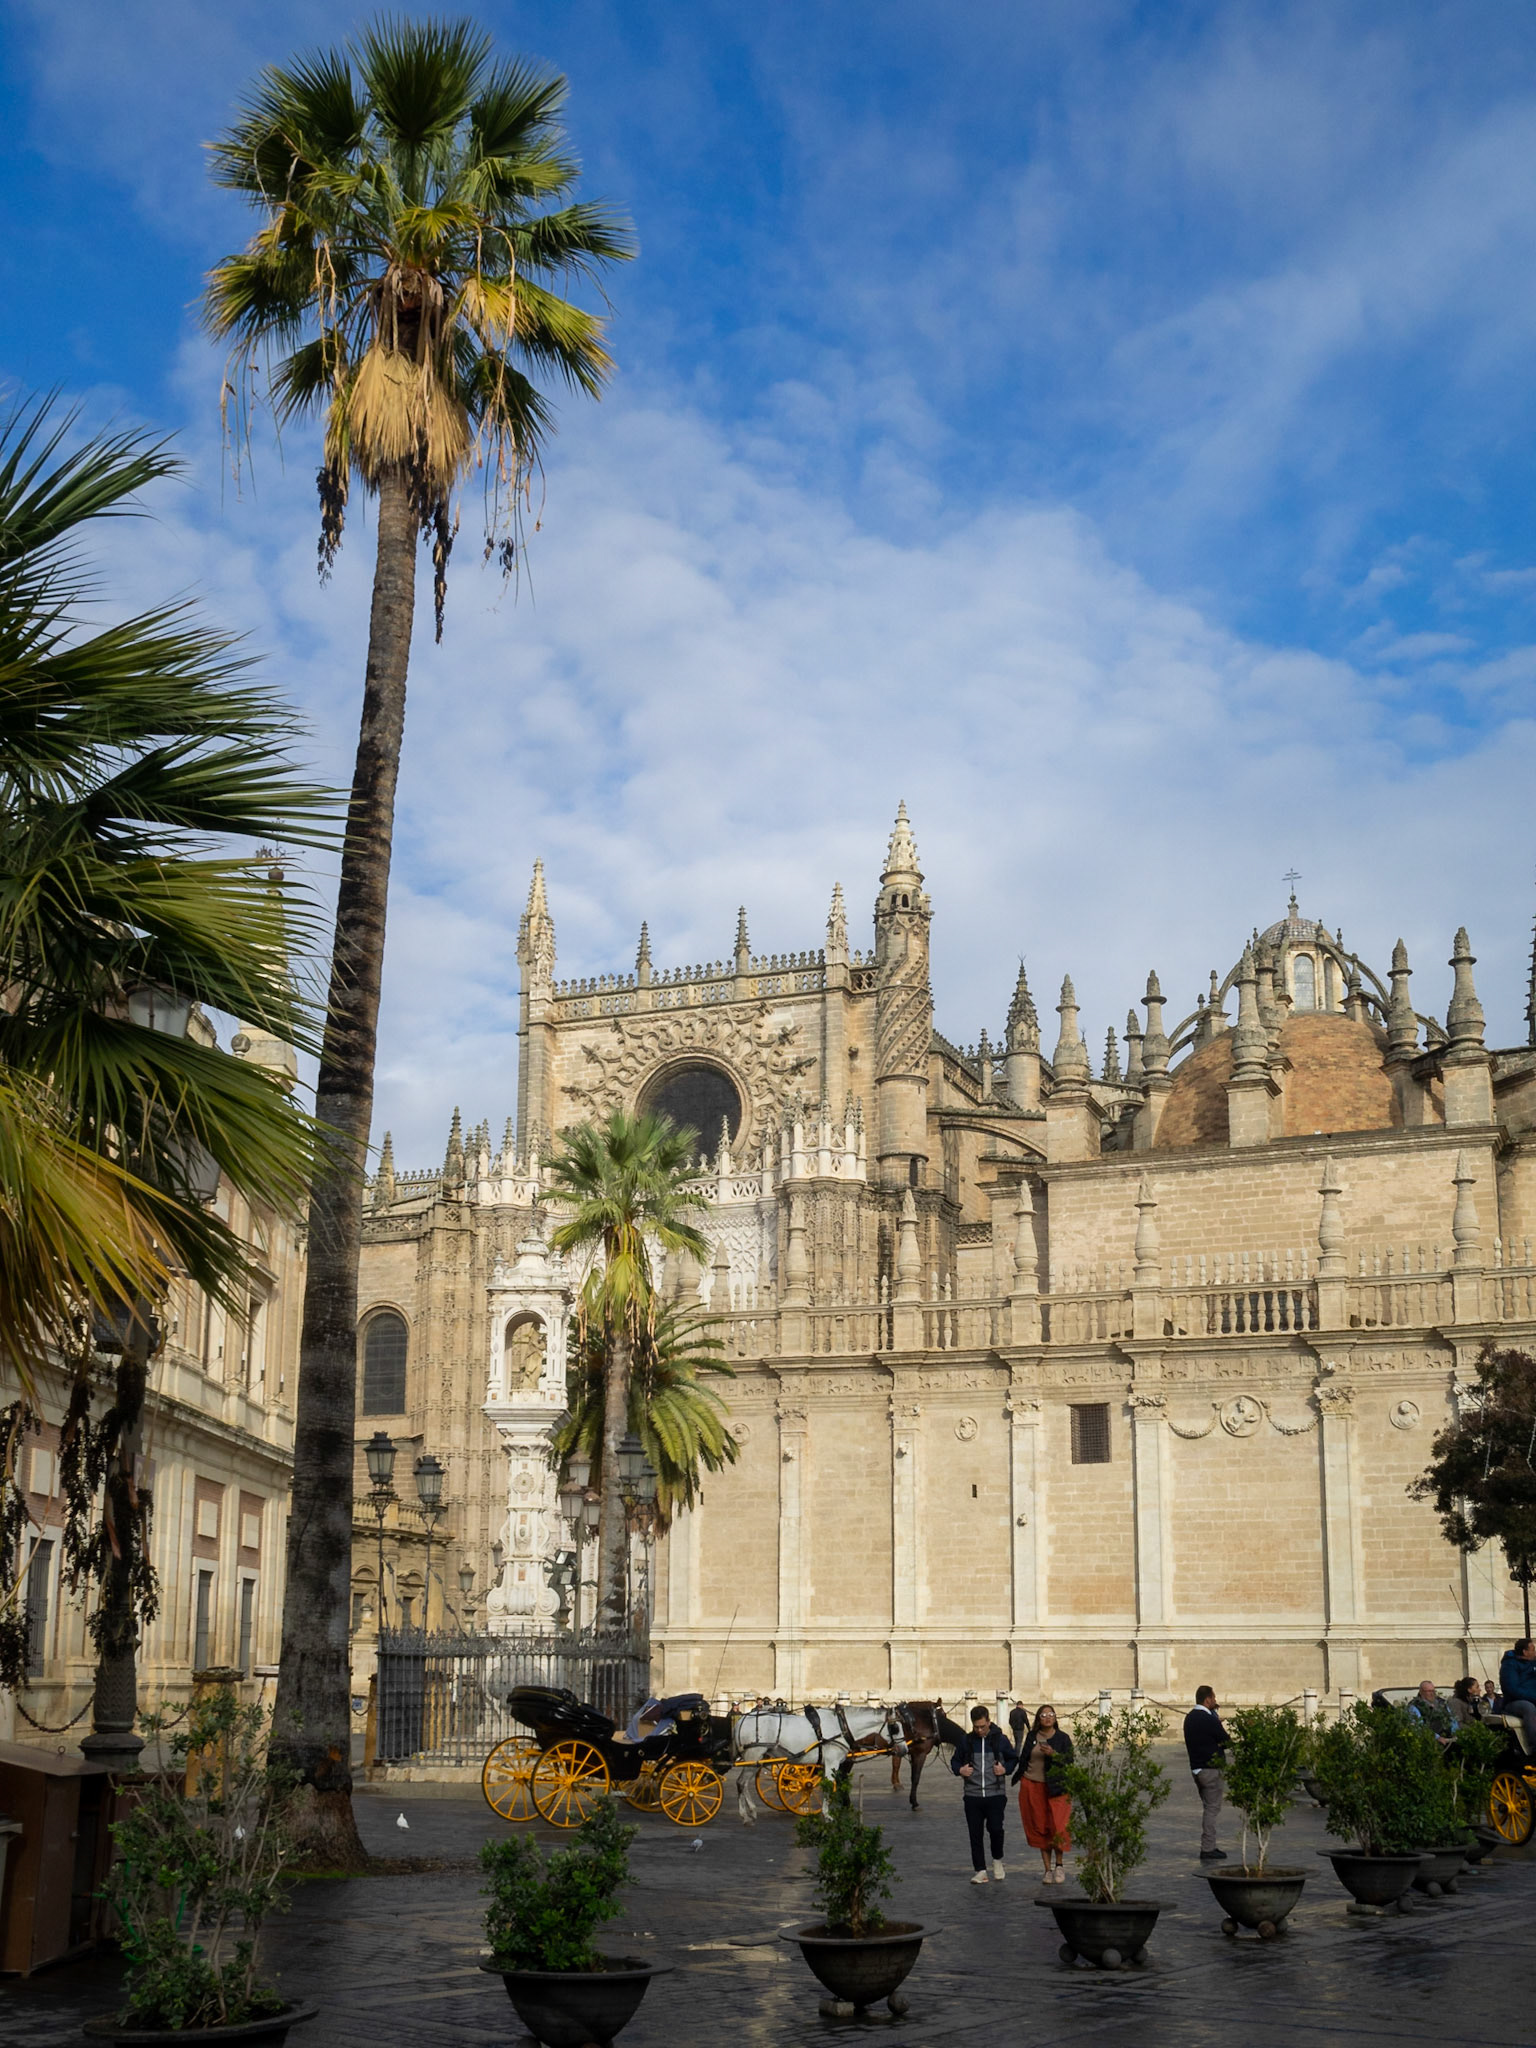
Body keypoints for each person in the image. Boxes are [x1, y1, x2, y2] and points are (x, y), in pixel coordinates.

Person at [950, 1703, 1018, 1884]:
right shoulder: (966, 1741)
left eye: (982, 1726)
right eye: (976, 1727)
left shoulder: (1000, 1740)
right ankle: (980, 1870)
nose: (979, 1730)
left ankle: (997, 1860)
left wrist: (1005, 1769)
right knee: (975, 1833)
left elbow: (1013, 1758)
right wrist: (960, 1770)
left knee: (996, 1829)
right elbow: (955, 1761)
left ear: (989, 1721)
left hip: (995, 1794)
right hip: (972, 1795)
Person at [1015, 1704, 1074, 1885]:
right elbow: (1024, 1758)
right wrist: (1020, 1777)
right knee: (1040, 1827)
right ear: (1038, 1719)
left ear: (1055, 1718)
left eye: (1051, 1714)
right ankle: (1047, 1870)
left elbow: (1069, 1761)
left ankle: (1059, 1865)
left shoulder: (1063, 1738)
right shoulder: (1032, 1737)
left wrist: (1054, 1754)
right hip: (1033, 1786)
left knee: (1058, 1826)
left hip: (1057, 1788)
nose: (1047, 1717)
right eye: (1043, 1715)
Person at [1183, 1685, 1230, 1862]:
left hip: (1196, 1769)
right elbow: (1226, 1741)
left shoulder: (1189, 1718)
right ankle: (1208, 1847)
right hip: (1210, 1770)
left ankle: (1209, 1845)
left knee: (1208, 1807)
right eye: (1214, 1699)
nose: (1215, 1702)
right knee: (1212, 1809)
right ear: (1208, 1699)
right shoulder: (1208, 1719)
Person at [1497, 1639, 1536, 1746]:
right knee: (1528, 1708)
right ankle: (1534, 1746)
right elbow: (1512, 1689)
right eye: (1533, 1650)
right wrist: (1534, 1697)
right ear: (1525, 1652)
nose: (1535, 1652)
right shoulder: (1509, 1665)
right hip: (1514, 1701)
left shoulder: (1533, 1662)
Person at [1408, 1679, 1454, 1747]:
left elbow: (1451, 1718)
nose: (1432, 1693)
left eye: (1433, 1691)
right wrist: (1436, 1737)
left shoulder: (1441, 1702)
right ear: (1421, 1692)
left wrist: (1455, 1732)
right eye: (1429, 1691)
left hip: (1448, 1740)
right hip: (1430, 1742)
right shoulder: (1414, 1706)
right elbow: (1418, 1727)